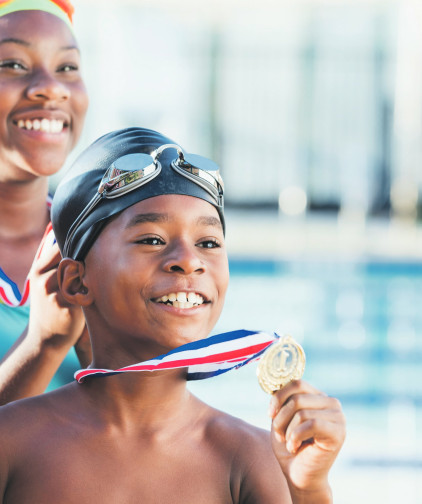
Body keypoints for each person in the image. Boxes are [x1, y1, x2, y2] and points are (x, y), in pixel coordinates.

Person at [0, 127, 346, 503]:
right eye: (151, 240)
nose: (188, 260)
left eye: (208, 243)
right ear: (77, 282)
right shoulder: (12, 442)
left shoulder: (249, 458)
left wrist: (309, 489)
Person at [0, 0, 90, 404]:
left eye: (67, 68)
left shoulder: (101, 243)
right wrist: (44, 345)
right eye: (14, 65)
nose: (51, 87)